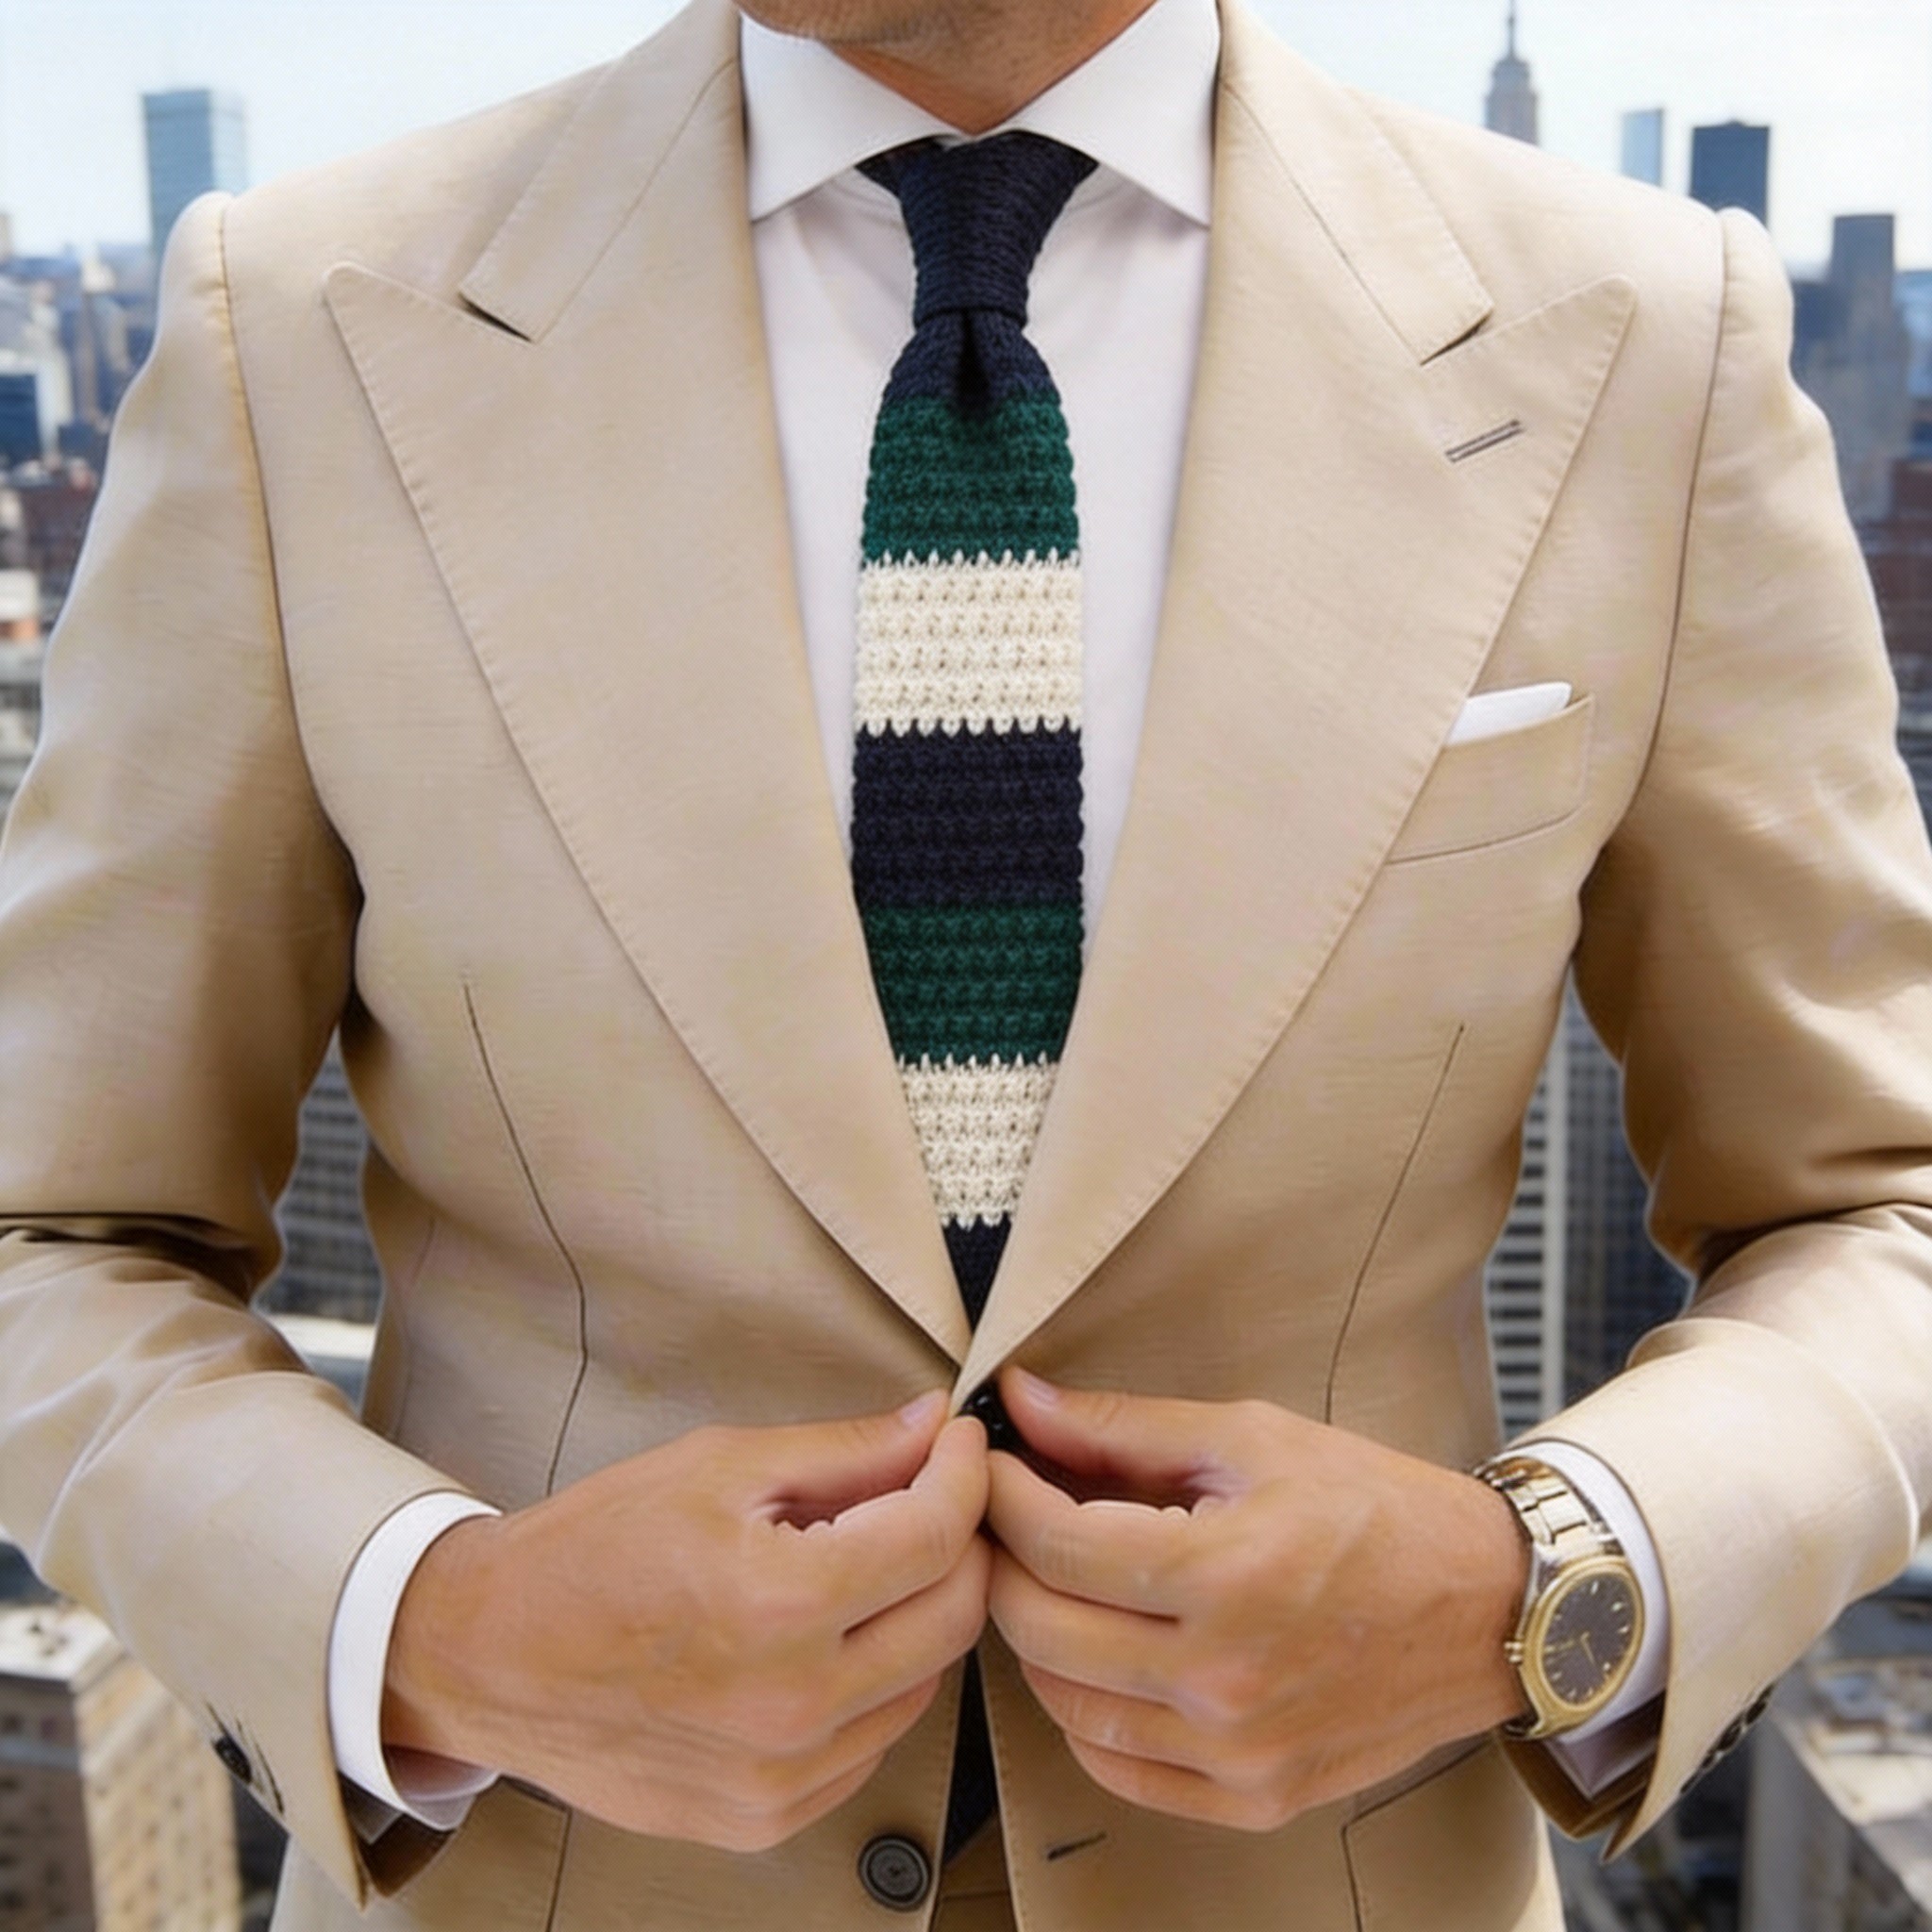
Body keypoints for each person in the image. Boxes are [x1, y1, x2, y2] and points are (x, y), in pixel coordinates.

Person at [1, 0, 1928, 1925]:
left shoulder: (1644, 338)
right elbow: (50, 1231)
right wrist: (440, 1628)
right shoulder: (299, 330)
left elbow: (1880, 1203)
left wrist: (1540, 1586)